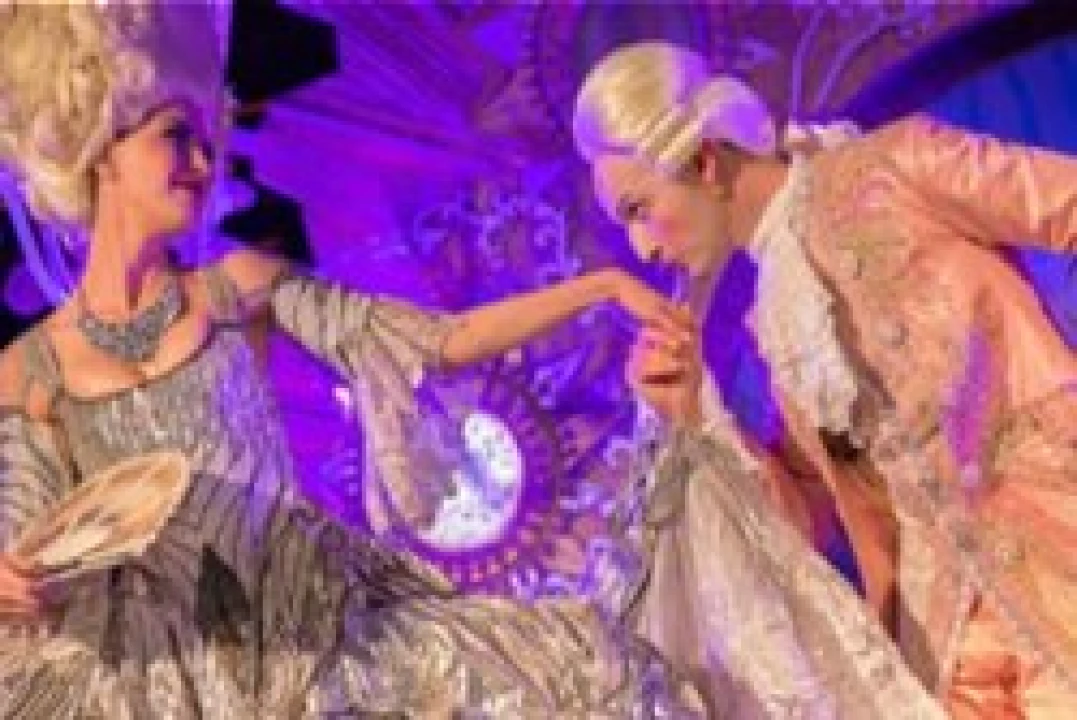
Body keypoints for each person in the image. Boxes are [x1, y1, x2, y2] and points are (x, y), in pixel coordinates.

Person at [0, 5, 703, 716]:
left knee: (586, 669)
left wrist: (598, 288)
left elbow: (438, 340)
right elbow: (30, 554)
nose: (204, 164)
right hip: (167, 691)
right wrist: (12, 582)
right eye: (175, 134)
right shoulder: (29, 373)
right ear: (102, 149)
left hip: (316, 658)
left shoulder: (236, 291)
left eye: (207, 138)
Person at [574, 39, 1077, 718]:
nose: (642, 247)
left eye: (638, 209)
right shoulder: (774, 327)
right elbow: (801, 527)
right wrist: (696, 414)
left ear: (702, 161)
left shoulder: (891, 169)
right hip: (954, 652)